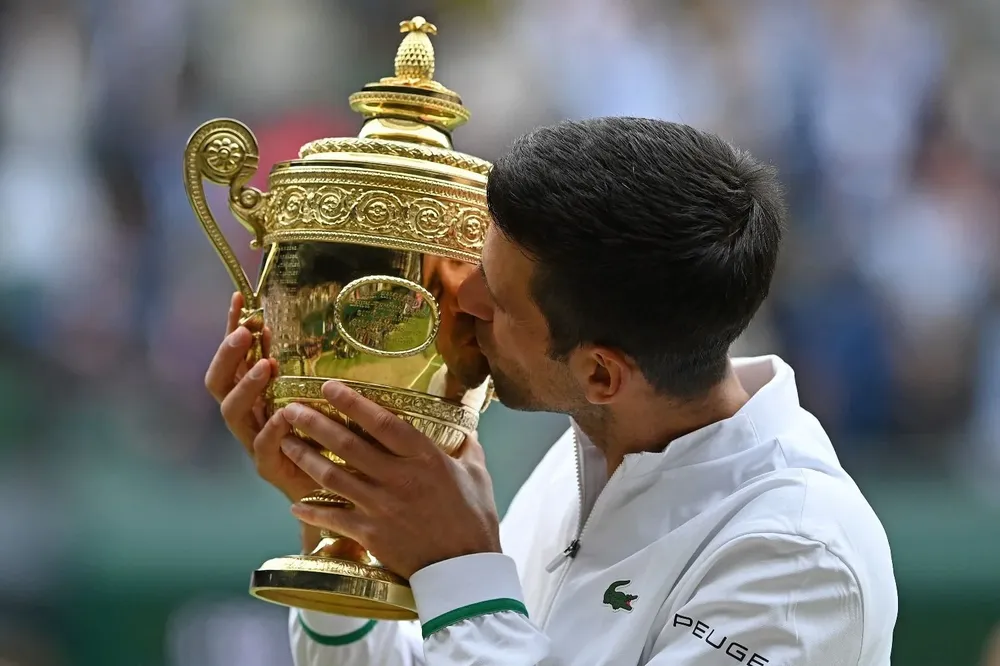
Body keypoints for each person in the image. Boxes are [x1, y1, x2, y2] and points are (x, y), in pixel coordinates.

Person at [205, 117, 898, 665]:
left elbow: (474, 633)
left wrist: (460, 574)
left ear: (601, 373)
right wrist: (340, 523)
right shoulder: (593, 445)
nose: (460, 302)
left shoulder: (801, 562)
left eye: (497, 299)